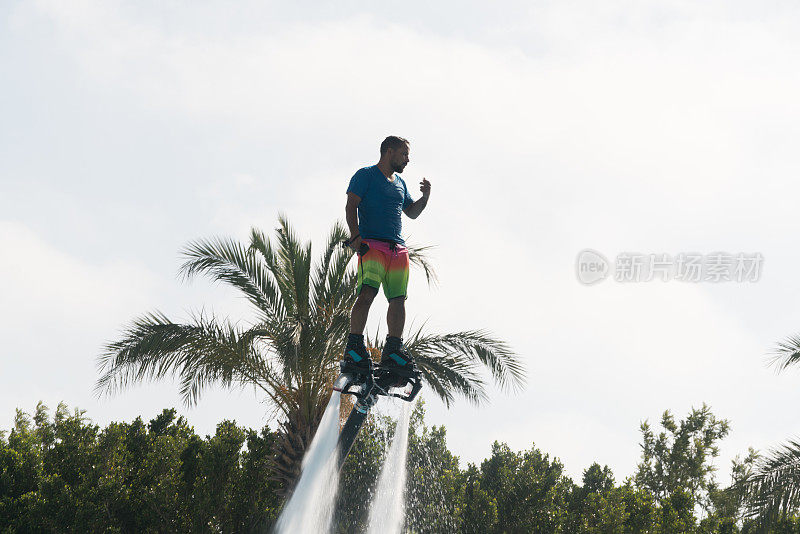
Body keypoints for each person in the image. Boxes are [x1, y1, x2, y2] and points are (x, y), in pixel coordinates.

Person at [343, 136, 431, 374]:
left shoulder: (400, 183)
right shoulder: (365, 175)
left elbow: (411, 212)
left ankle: (392, 349)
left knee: (398, 299)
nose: (407, 159)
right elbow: (351, 206)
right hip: (372, 246)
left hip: (397, 249)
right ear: (389, 151)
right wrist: (355, 236)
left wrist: (425, 198)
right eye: (404, 154)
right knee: (368, 292)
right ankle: (353, 346)